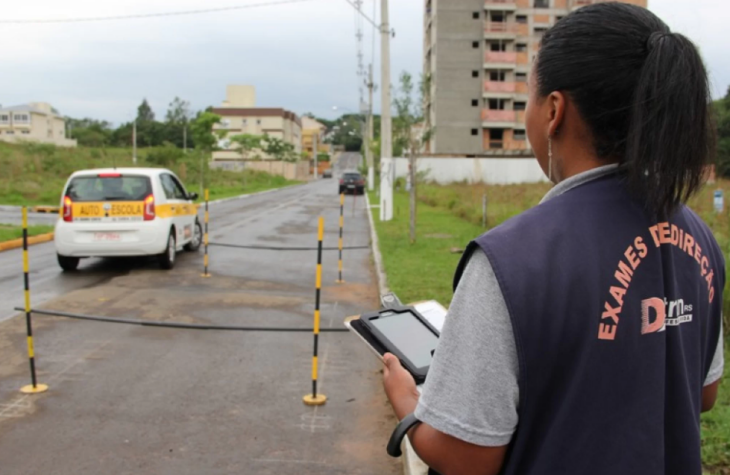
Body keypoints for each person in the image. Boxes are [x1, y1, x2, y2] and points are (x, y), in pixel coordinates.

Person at [382, 3, 724, 475]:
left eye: (527, 97)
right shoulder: (700, 238)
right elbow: (704, 393)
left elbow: (466, 456)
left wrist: (406, 402)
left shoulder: (510, 260)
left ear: (555, 111)